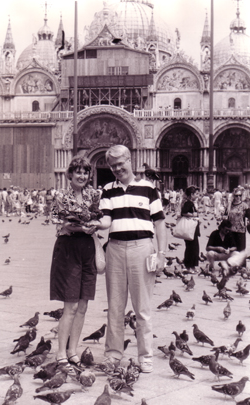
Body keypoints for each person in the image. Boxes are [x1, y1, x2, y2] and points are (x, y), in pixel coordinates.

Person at [97, 145, 167, 373]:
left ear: (130, 160)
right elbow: (105, 220)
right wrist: (88, 222)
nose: (117, 169)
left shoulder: (148, 189)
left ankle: (145, 356)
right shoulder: (107, 190)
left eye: (121, 163)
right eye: (113, 165)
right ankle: (113, 354)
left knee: (142, 307)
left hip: (142, 248)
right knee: (115, 307)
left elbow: (159, 223)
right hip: (115, 248)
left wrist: (161, 253)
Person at [49, 156, 100, 371]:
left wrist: (96, 224)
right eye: (77, 171)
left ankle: (73, 350)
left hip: (88, 248)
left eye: (85, 172)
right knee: (70, 305)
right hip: (68, 248)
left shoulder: (93, 195)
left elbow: (100, 217)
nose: (81, 175)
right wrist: (82, 228)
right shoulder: (60, 195)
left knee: (83, 305)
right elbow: (58, 222)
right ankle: (61, 352)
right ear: (69, 174)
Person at [181, 185, 200, 273]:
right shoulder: (188, 203)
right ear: (191, 194)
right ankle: (190, 266)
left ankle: (191, 266)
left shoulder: (189, 202)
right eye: (196, 194)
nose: (197, 195)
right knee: (192, 248)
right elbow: (184, 212)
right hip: (190, 229)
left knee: (192, 247)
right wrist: (194, 215)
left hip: (191, 229)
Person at [226, 187, 250, 253]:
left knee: (241, 251)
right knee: (232, 251)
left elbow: (249, 217)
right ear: (233, 196)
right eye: (236, 195)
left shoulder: (245, 205)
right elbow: (225, 216)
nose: (238, 197)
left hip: (240, 231)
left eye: (240, 195)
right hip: (230, 230)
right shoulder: (229, 205)